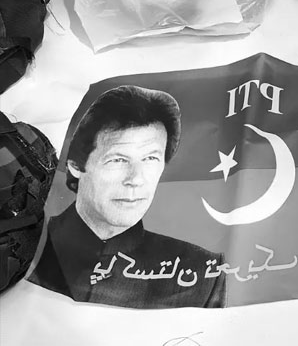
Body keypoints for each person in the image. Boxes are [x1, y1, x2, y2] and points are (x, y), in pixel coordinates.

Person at [28, 86, 226, 309]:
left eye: (151, 158)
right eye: (118, 160)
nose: (136, 179)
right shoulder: (30, 243)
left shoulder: (202, 271)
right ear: (75, 166)